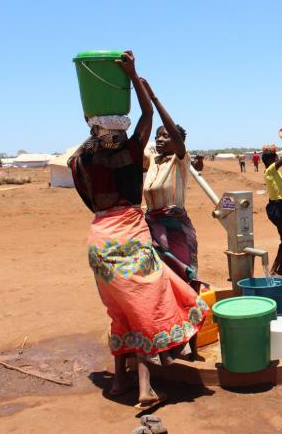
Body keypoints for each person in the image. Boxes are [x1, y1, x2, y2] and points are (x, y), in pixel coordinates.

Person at [69, 51, 208, 409]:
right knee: (148, 305)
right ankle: (145, 388)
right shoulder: (132, 152)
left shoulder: (79, 160)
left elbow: (88, 197)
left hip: (99, 239)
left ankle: (119, 382)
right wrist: (133, 75)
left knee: (120, 310)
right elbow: (146, 115)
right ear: (121, 127)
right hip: (130, 234)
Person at [140, 79, 199, 283]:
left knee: (182, 277)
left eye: (166, 136)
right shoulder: (151, 158)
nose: (160, 139)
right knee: (157, 277)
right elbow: (142, 128)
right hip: (151, 224)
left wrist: (154, 98)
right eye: (158, 136)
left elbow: (174, 134)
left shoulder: (180, 159)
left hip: (175, 228)